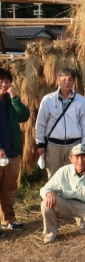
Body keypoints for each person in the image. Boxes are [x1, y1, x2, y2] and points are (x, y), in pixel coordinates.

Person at [40, 144, 85, 244]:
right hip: (67, 204)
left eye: (84, 156)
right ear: (71, 158)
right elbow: (46, 188)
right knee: (45, 203)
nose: (80, 160)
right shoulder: (63, 172)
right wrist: (49, 194)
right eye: (77, 157)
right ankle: (50, 233)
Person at [35, 68, 85, 179]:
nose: (67, 82)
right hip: (53, 146)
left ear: (73, 81)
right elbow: (41, 122)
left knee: (75, 176)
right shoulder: (48, 100)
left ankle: (73, 191)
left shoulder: (80, 100)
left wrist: (84, 144)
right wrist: (40, 143)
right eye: (63, 80)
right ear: (58, 81)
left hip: (74, 145)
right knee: (54, 177)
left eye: (70, 79)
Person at [0, 68, 30, 234]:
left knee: (9, 189)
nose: (4, 85)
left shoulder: (11, 102)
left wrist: (14, 98)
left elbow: (24, 116)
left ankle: (8, 220)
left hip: (12, 153)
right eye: (1, 81)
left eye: (7, 81)